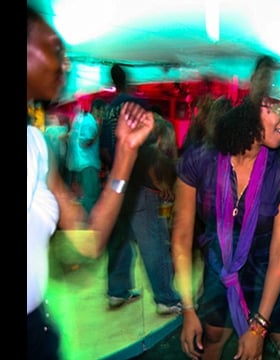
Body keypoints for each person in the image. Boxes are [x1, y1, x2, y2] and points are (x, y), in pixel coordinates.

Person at [27, 5, 154, 359]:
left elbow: (90, 241)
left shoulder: (37, 145)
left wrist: (126, 157)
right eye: (55, 49)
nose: (66, 64)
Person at [171, 55, 280, 360]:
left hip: (268, 274)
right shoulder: (199, 161)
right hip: (220, 270)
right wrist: (188, 308)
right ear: (256, 105)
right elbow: (180, 237)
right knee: (213, 337)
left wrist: (259, 327)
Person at [105, 111, 182, 315]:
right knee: (155, 247)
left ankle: (117, 292)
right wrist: (161, 186)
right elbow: (154, 171)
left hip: (119, 191)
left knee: (121, 244)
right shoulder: (156, 141)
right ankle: (166, 299)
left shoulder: (131, 139)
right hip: (142, 196)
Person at [66, 100, 103, 213]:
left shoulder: (79, 118)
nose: (103, 113)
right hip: (88, 163)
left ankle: (81, 221)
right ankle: (88, 223)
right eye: (102, 110)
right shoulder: (90, 122)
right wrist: (98, 131)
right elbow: (86, 142)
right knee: (90, 196)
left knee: (81, 196)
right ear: (96, 109)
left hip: (77, 163)